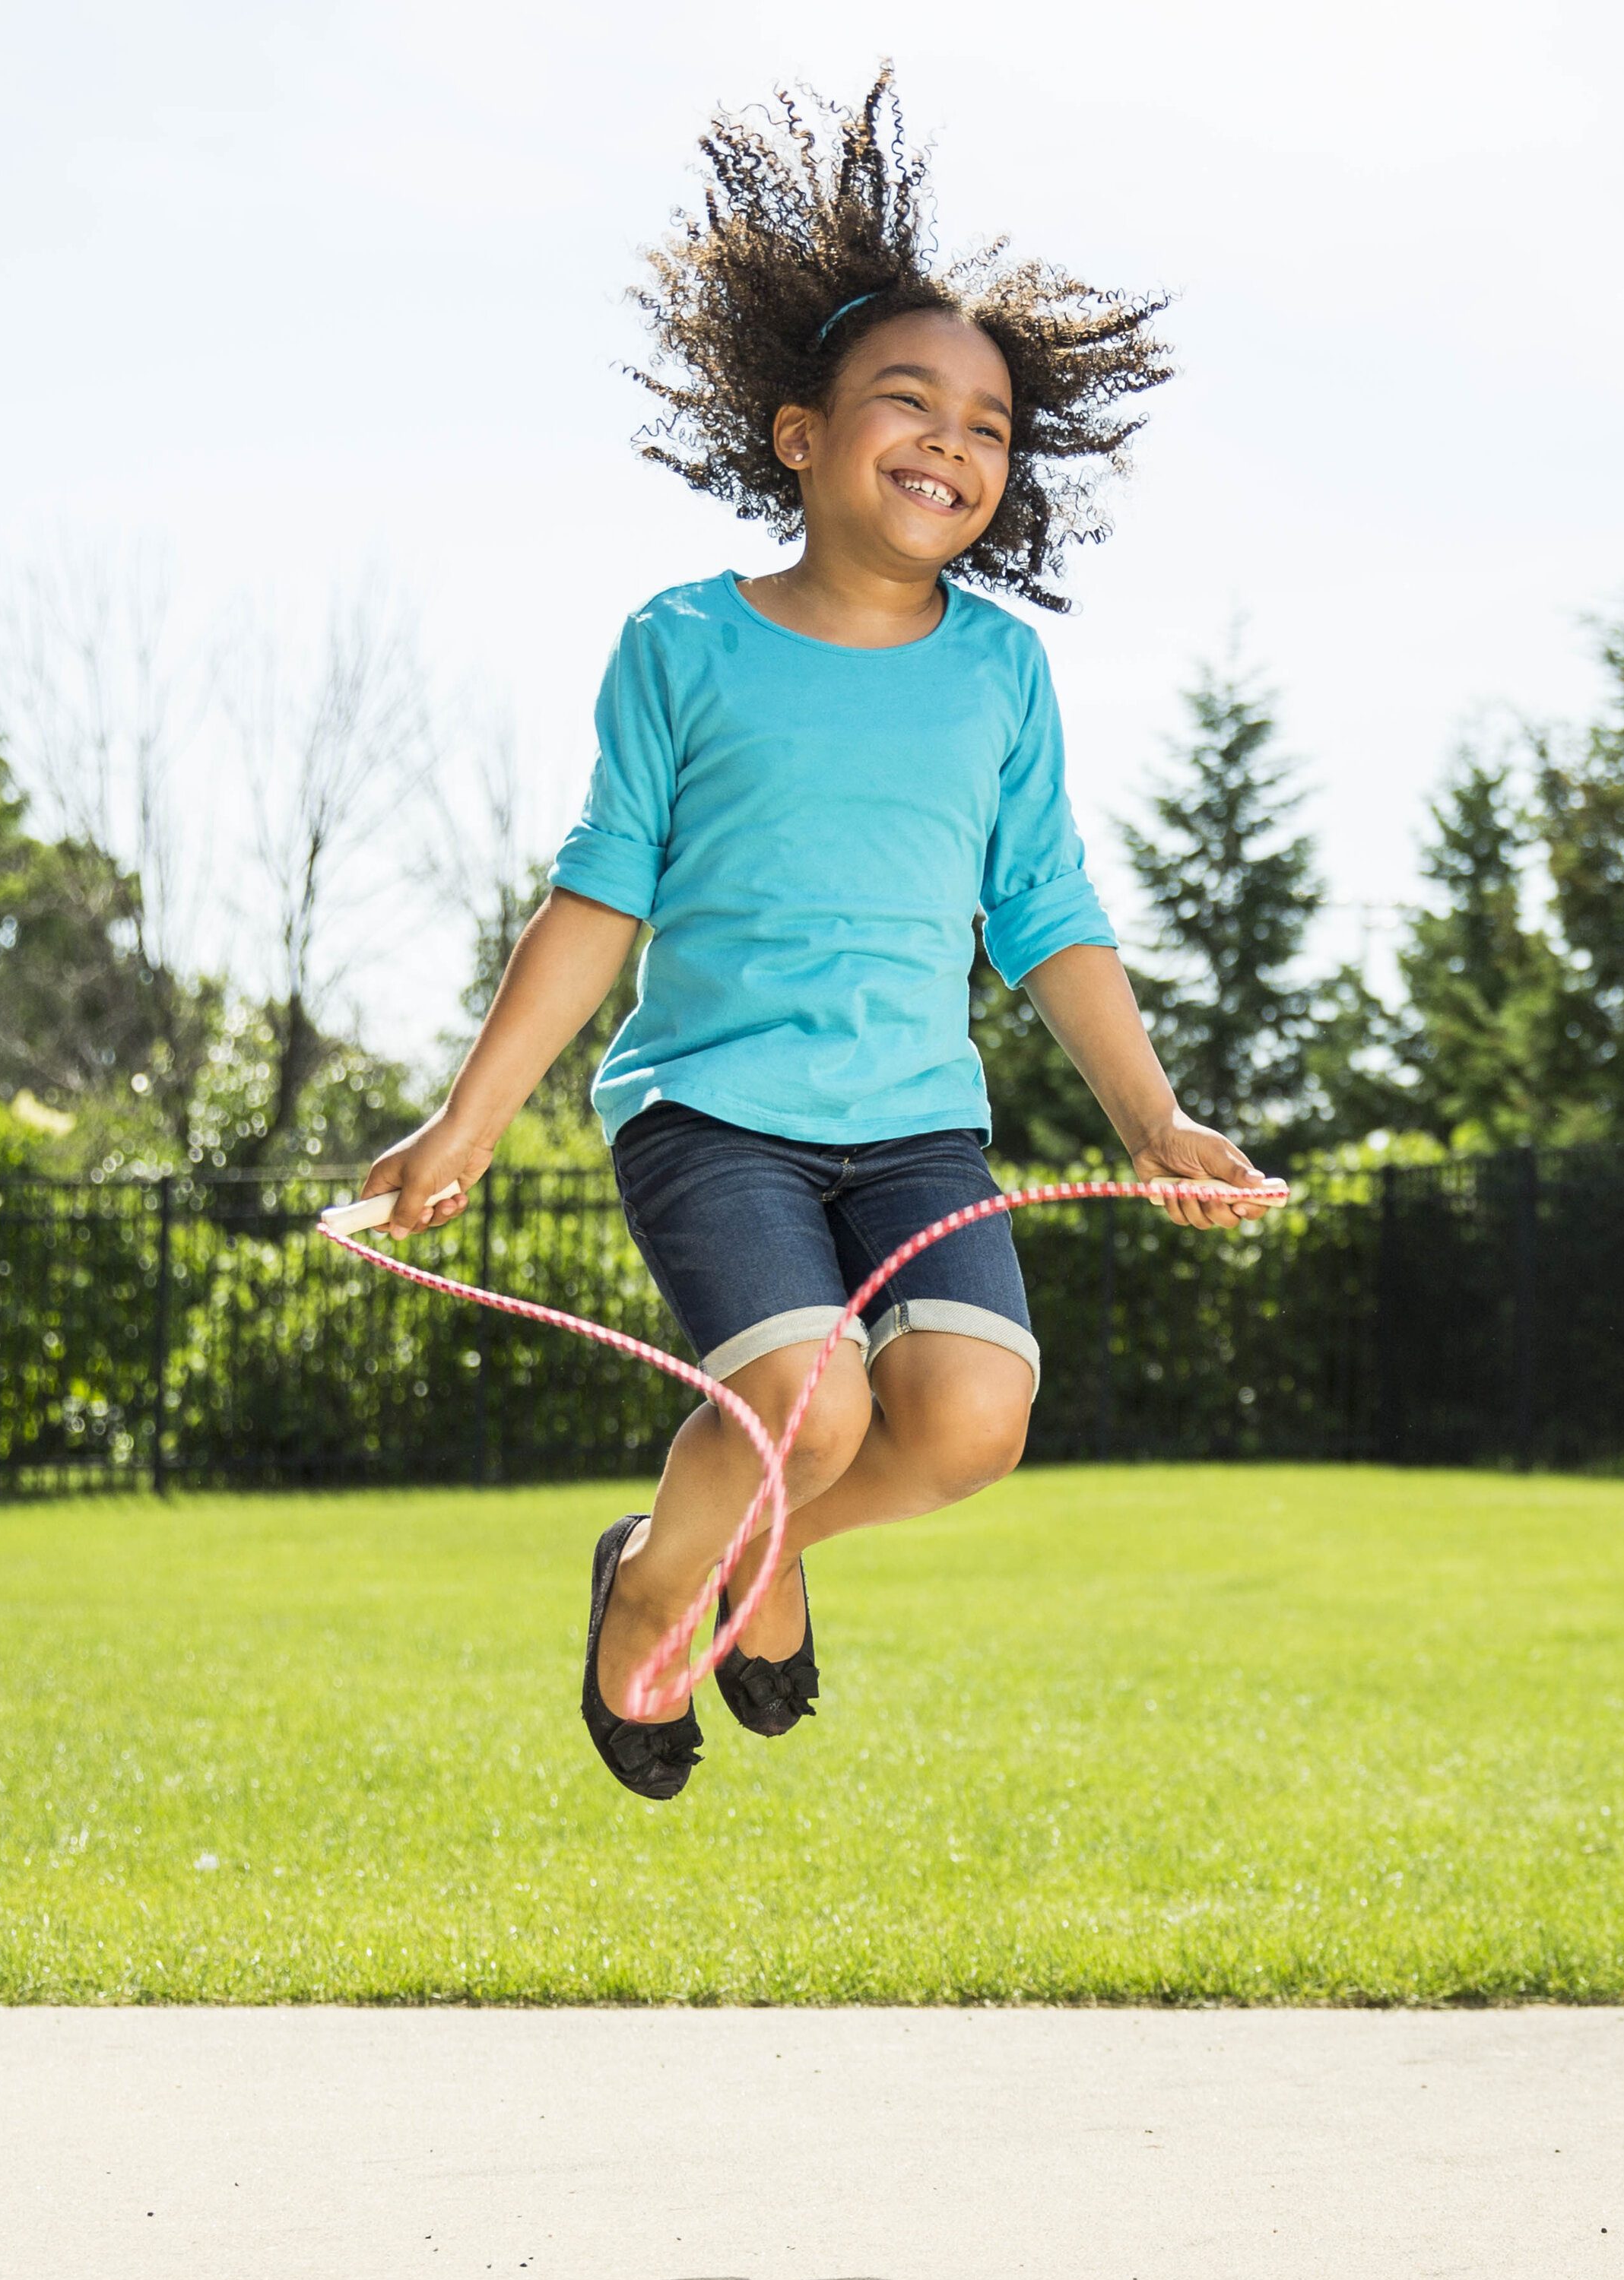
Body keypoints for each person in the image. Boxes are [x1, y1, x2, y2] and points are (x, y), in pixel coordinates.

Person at [359, 69, 1274, 1803]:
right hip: (714, 1117)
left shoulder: (998, 669)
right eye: (904, 402)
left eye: (988, 423)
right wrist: (462, 1124)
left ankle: (742, 1548)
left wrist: (1152, 1121)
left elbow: (1047, 913)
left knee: (968, 1423)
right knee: (806, 1401)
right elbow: (598, 896)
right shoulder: (685, 643)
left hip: (915, 1128)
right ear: (796, 433)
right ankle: (653, 1595)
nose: (950, 441)